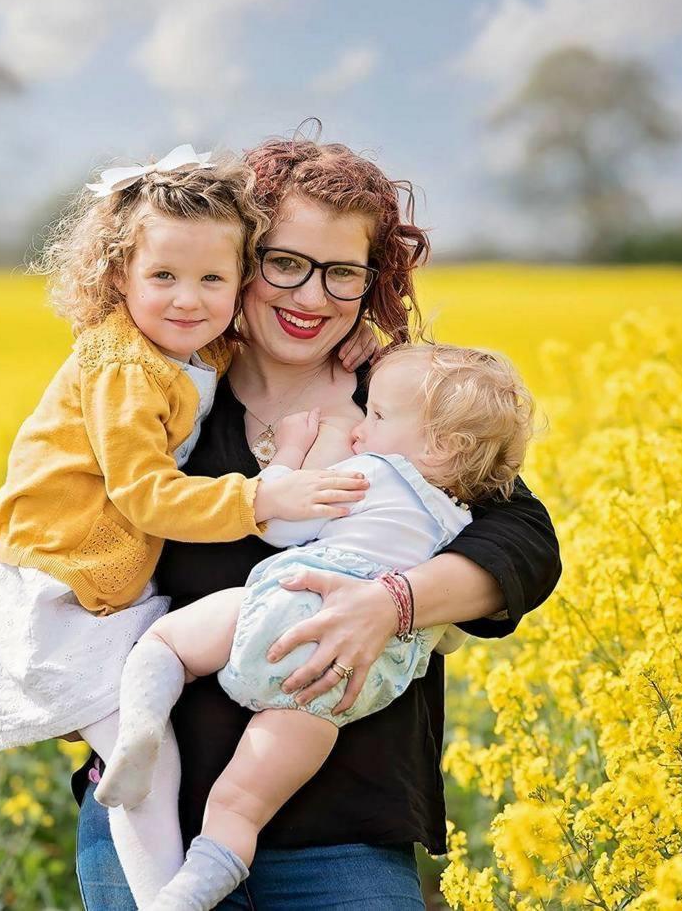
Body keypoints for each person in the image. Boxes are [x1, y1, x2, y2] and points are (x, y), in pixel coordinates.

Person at [73, 136, 562, 910]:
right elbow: (62, 531)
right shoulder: (165, 392)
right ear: (240, 258)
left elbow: (522, 541)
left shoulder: (408, 402)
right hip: (152, 822)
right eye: (286, 263)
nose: (312, 297)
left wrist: (392, 604)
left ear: (375, 281)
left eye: (343, 272)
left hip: (346, 831)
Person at [0, 144, 372, 907]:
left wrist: (344, 356)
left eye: (213, 279)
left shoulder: (180, 349)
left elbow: (241, 344)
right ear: (116, 275)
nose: (189, 299)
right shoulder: (121, 368)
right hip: (64, 587)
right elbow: (149, 496)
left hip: (101, 583)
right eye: (163, 277)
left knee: (147, 735)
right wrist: (264, 498)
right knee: (143, 769)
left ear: (238, 282)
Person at [96, 342, 535, 910]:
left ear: (438, 445)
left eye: (375, 417)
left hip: (280, 608)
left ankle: (139, 733)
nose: (360, 427)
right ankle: (189, 894)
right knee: (240, 806)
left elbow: (279, 528)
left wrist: (297, 453)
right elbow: (451, 627)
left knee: (166, 643)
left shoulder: (369, 473)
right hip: (335, 683)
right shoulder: (457, 522)